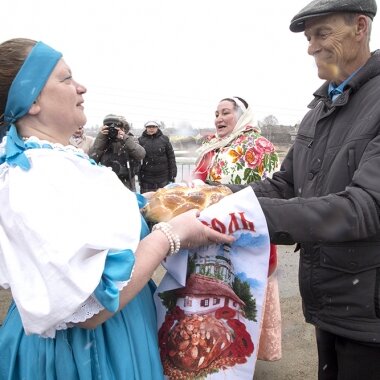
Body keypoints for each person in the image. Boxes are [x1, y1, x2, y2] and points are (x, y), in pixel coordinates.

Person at [0, 38, 234, 379]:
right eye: (65, 79)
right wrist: (170, 236)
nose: (81, 87)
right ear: (32, 99)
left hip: (113, 335)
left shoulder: (59, 161)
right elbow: (87, 307)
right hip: (86, 354)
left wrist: (168, 200)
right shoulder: (31, 177)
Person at [222, 1, 380, 379]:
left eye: (322, 34)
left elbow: (365, 207)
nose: (311, 48)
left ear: (360, 27)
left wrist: (242, 218)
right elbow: (285, 183)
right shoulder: (321, 107)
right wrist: (218, 198)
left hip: (371, 311)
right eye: (309, 38)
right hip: (330, 301)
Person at [193, 97, 282, 361]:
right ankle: (215, 350)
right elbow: (197, 178)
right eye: (216, 113)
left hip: (247, 230)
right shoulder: (210, 146)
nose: (218, 119)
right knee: (214, 288)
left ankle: (242, 354)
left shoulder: (260, 146)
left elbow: (274, 189)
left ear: (242, 116)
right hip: (210, 230)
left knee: (243, 290)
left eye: (225, 113)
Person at [89, 114, 145, 191]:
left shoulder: (130, 138)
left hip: (126, 182)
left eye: (118, 127)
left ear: (124, 128)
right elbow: (91, 159)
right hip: (106, 182)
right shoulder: (103, 139)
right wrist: (101, 138)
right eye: (111, 127)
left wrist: (124, 139)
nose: (114, 130)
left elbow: (141, 154)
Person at [138, 120, 177, 193]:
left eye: (153, 127)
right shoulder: (140, 140)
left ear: (157, 128)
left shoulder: (164, 139)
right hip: (146, 176)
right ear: (146, 128)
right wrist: (139, 175)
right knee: (147, 200)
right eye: (149, 127)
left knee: (163, 199)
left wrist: (173, 173)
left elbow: (171, 157)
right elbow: (137, 159)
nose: (151, 129)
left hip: (163, 176)